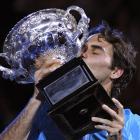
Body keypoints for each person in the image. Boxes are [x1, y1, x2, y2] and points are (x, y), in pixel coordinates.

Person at [0, 21, 139, 140]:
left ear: (115, 71)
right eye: (82, 48)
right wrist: (36, 98)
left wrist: (115, 137)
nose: (83, 54)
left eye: (95, 52)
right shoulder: (44, 113)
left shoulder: (134, 124)